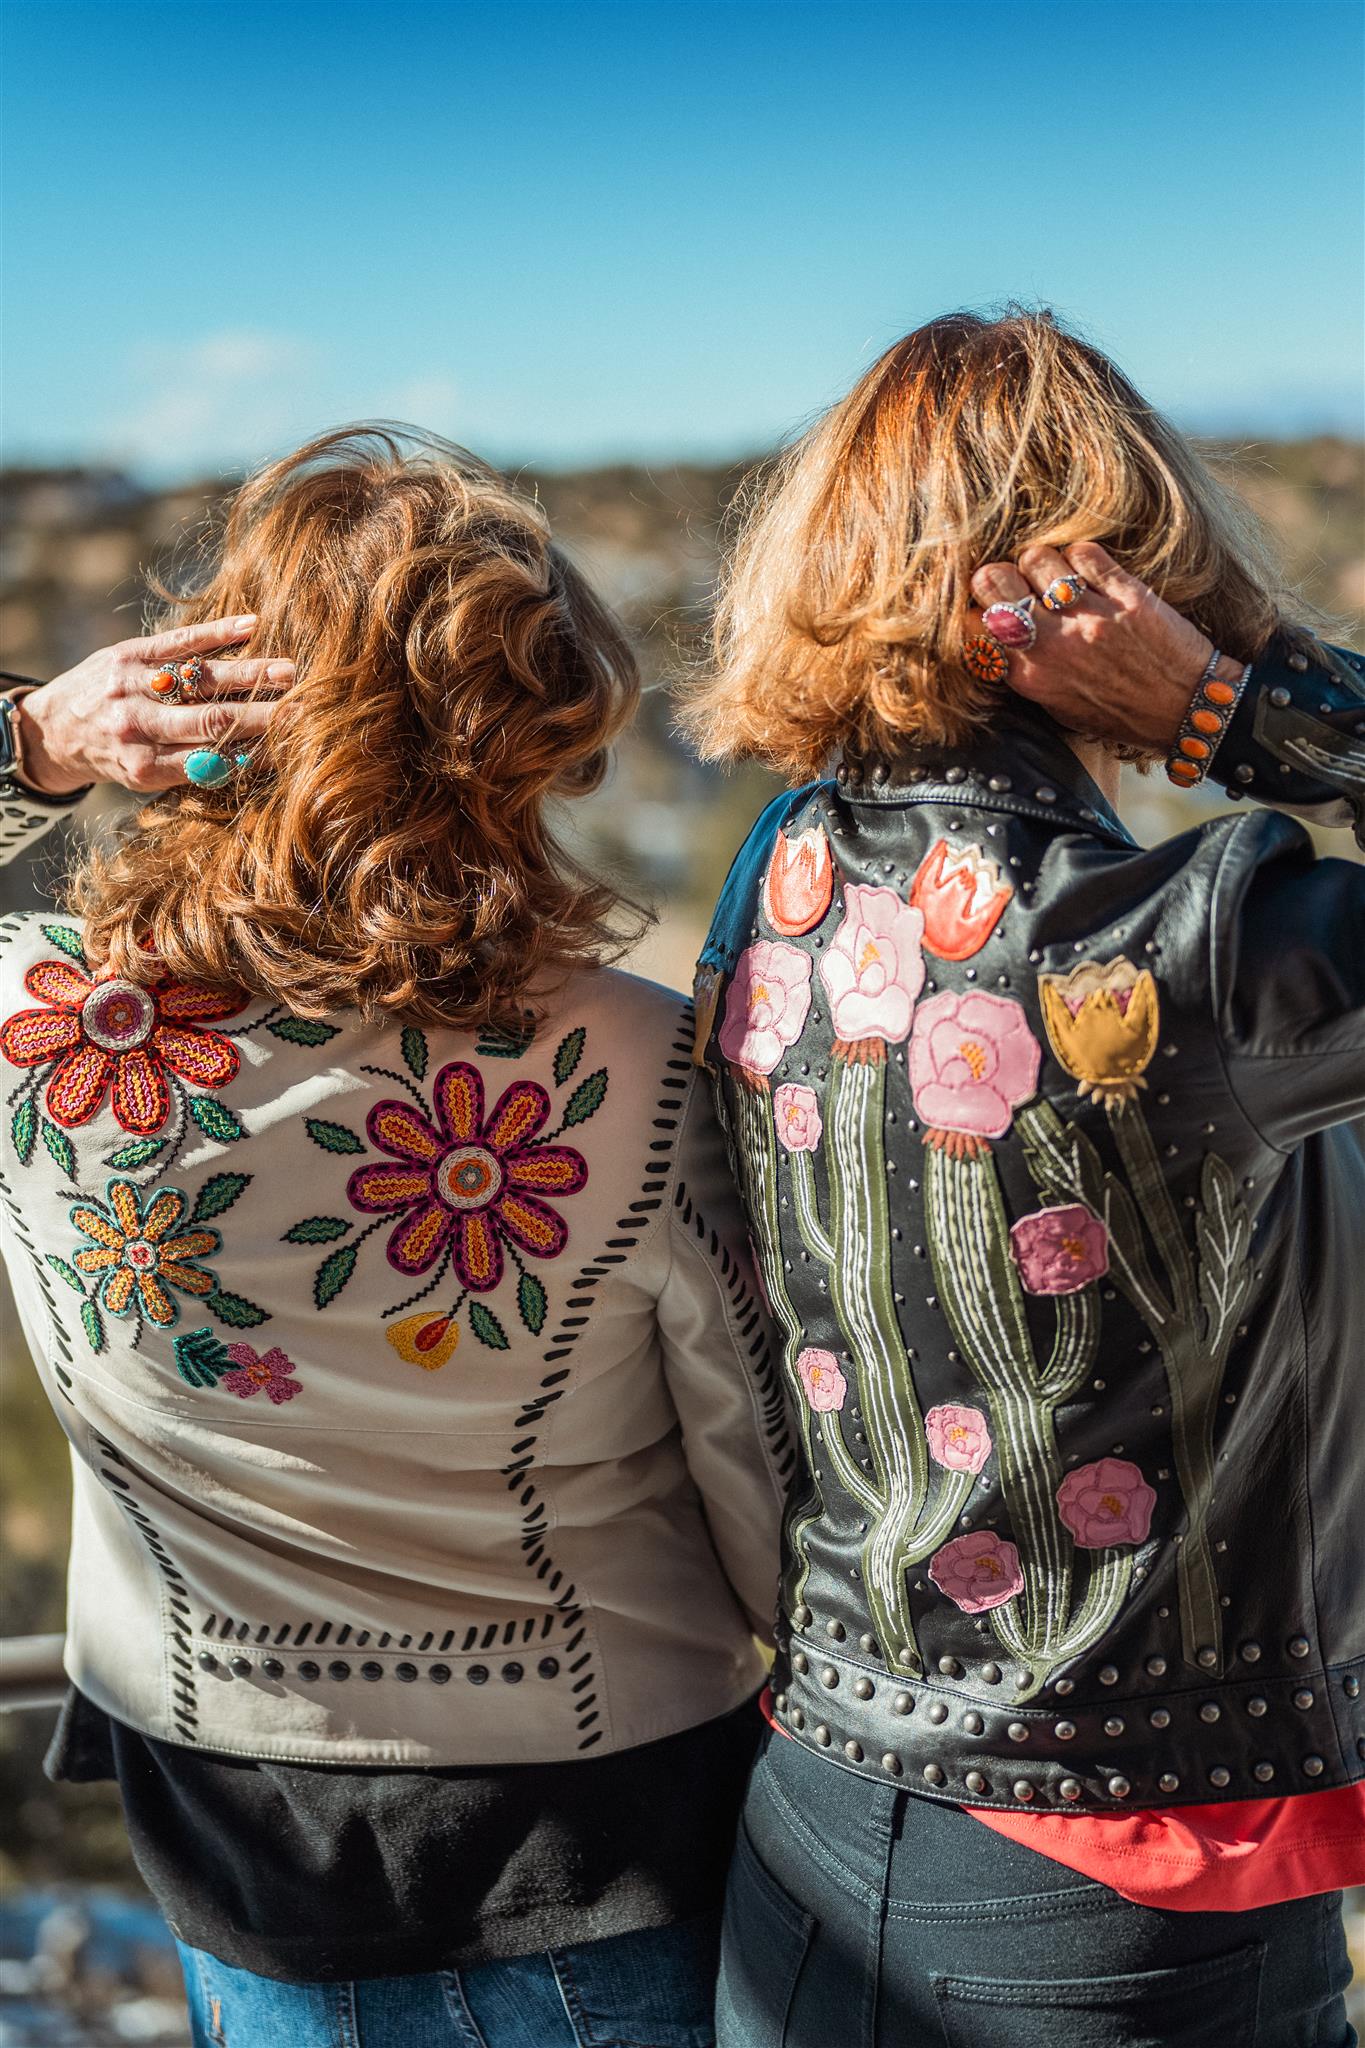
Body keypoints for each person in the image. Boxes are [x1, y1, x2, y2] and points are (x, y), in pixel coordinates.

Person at [0, 427, 791, 2048]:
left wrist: (35, 740)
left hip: (234, 1841)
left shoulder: (40, 1018)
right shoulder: (650, 1060)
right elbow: (770, 1489)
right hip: (612, 1829)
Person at [687, 312, 1364, 2047]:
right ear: (1128, 592)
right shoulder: (1193, 942)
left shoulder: (786, 869)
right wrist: (1247, 705)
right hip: (1121, 1893)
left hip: (826, 1811)